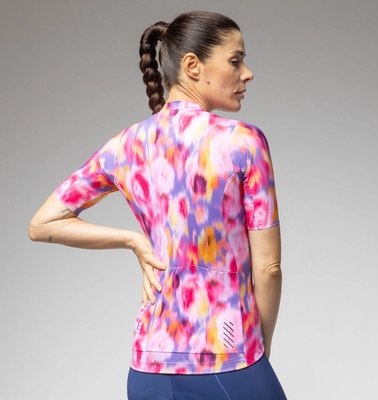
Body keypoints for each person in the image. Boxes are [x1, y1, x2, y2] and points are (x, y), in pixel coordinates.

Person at [29, 10, 287, 400]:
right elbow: (269, 269)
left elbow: (42, 224)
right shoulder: (243, 142)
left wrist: (133, 240)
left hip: (147, 365)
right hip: (226, 357)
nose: (247, 73)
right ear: (192, 66)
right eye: (236, 61)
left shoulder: (125, 146)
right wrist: (259, 351)